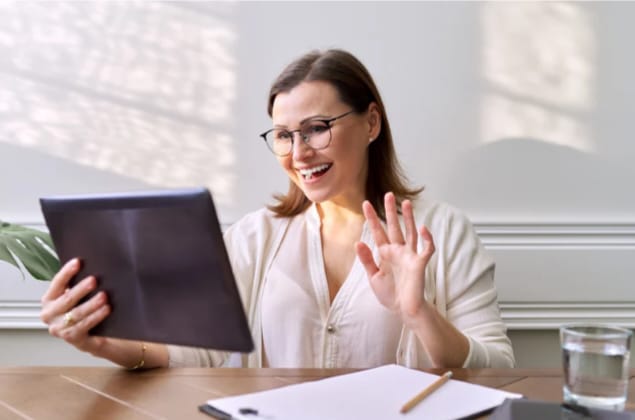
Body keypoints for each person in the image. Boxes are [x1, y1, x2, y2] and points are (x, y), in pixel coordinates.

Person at [40, 49, 515, 370]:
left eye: (317, 127)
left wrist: (417, 313)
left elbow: (498, 366)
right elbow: (196, 351)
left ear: (371, 122)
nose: (299, 152)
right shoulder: (255, 237)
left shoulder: (443, 232)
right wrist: (101, 343)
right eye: (284, 135)